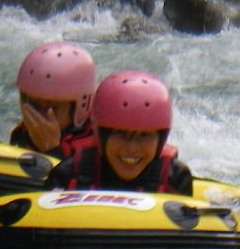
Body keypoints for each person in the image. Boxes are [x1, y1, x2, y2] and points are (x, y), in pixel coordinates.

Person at [45, 70, 194, 195]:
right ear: (100, 135)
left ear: (161, 140)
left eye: (144, 135)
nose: (132, 148)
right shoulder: (67, 175)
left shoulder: (176, 179)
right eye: (121, 133)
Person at [8, 41, 98, 160]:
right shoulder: (21, 134)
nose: (39, 117)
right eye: (34, 105)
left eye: (51, 109)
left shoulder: (96, 146)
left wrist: (52, 150)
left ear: (80, 107)